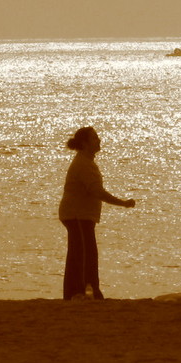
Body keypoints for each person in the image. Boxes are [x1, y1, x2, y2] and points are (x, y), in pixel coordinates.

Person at [58, 126, 136, 300]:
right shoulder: (84, 164)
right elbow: (97, 192)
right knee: (85, 254)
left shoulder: (86, 162)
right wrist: (122, 203)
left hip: (80, 215)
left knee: (81, 252)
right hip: (77, 215)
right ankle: (85, 291)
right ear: (85, 144)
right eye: (94, 138)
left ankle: (78, 292)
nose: (99, 140)